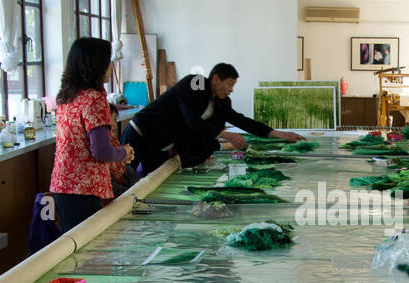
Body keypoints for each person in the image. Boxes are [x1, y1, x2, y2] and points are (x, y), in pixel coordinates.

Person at [121, 62, 303, 172]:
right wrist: (225, 134)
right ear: (216, 78)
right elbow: (193, 122)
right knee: (132, 182)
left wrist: (277, 133)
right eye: (230, 84)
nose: (231, 89)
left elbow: (241, 120)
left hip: (161, 144)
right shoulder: (195, 83)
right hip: (140, 134)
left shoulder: (221, 102)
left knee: (152, 182)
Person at [49, 37, 134, 233]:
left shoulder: (66, 97)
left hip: (62, 187)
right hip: (84, 191)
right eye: (107, 61)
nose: (111, 66)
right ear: (95, 65)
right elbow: (101, 150)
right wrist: (124, 153)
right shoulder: (94, 99)